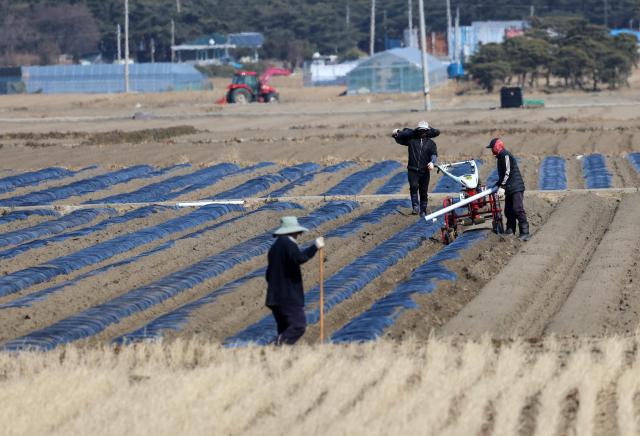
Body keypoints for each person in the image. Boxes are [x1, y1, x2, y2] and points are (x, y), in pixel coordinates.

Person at [265, 216, 325, 345]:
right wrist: (315, 247)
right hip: (287, 297)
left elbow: (268, 275)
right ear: (292, 231)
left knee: (284, 329)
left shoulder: (275, 247)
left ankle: (277, 356)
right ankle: (273, 347)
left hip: (274, 297)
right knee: (298, 325)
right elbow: (299, 258)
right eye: (298, 231)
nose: (299, 234)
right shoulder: (288, 244)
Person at [392, 121, 440, 216]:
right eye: (421, 130)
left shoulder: (431, 144)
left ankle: (423, 210)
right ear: (418, 131)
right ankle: (415, 207)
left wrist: (432, 163)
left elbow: (434, 155)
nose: (422, 132)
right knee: (414, 186)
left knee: (423, 191)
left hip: (425, 171)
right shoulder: (411, 141)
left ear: (427, 131)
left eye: (424, 131)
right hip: (412, 169)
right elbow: (400, 140)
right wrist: (396, 135)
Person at [487, 138, 530, 241]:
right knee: (508, 210)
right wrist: (496, 185)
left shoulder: (505, 155)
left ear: (497, 147)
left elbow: (508, 172)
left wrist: (502, 187)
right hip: (509, 188)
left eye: (492, 148)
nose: (491, 150)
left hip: (516, 187)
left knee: (517, 209)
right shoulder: (499, 157)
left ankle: (525, 232)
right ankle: (510, 230)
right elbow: (502, 176)